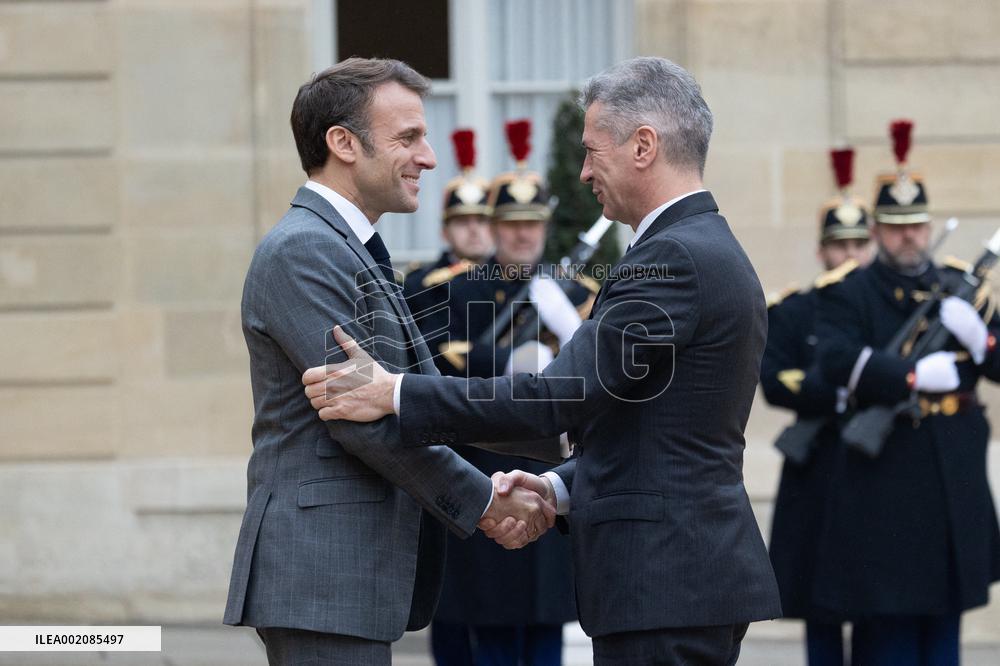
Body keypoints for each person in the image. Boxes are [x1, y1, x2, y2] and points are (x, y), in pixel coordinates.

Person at [304, 56, 782, 665]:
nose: (582, 172)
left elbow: (558, 397)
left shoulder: (677, 258)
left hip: (667, 580)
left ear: (643, 146)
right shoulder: (688, 247)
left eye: (590, 150)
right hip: (670, 579)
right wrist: (558, 488)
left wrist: (396, 393)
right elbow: (650, 431)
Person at [222, 57, 557, 666]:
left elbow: (418, 398)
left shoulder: (348, 249)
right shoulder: (305, 252)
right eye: (408, 138)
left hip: (346, 575)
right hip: (323, 574)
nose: (428, 156)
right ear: (343, 144)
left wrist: (556, 445)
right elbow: (365, 420)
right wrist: (485, 501)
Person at [812, 120, 1000, 665]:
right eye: (895, 227)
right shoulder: (851, 292)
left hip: (950, 472)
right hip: (885, 479)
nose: (909, 237)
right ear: (877, 230)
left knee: (944, 629)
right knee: (887, 630)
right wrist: (913, 377)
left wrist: (980, 339)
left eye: (917, 225)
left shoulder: (960, 286)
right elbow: (836, 361)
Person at [413, 123, 585, 666]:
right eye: (512, 225)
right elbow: (438, 364)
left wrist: (566, 324)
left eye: (533, 225)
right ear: (495, 228)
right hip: (484, 469)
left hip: (549, 471)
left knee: (544, 630)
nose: (524, 236)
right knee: (487, 630)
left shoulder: (573, 292)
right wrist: (509, 358)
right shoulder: (455, 290)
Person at [761, 147, 872, 666]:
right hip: (819, 465)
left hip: (876, 468)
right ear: (821, 249)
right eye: (838, 244)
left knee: (876, 606)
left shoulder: (885, 309)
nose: (849, 255)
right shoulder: (796, 309)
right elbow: (775, 381)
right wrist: (847, 388)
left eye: (858, 243)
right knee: (820, 607)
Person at [402, 127, 494, 353]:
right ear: (445, 232)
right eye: (463, 222)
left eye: (481, 221)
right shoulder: (420, 284)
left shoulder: (509, 277)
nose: (474, 230)